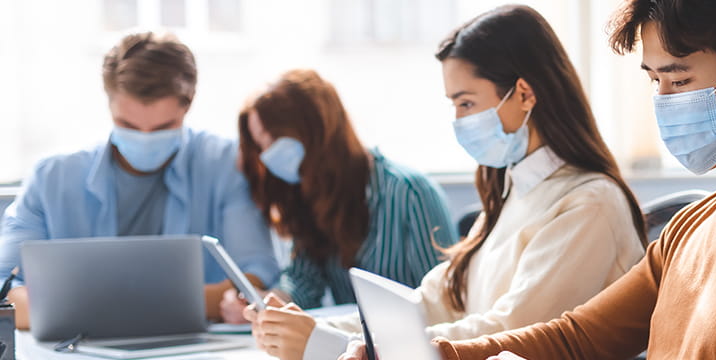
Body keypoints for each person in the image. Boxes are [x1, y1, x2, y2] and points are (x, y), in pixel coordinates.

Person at [340, 0, 716, 359]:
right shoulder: (697, 222)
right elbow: (576, 338)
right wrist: (435, 355)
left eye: (678, 79)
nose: (663, 102)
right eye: (653, 80)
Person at [256, 6, 648, 360]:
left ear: (524, 94)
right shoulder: (513, 189)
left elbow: (512, 331)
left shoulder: (590, 204)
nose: (460, 120)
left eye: (466, 103)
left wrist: (330, 345)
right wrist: (317, 331)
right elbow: (433, 302)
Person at [0, 31, 280, 327]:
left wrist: (86, 308)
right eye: (128, 125)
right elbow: (4, 286)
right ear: (109, 104)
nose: (145, 138)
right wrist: (168, 305)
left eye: (163, 126)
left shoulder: (227, 164)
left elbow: (254, 275)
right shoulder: (51, 178)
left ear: (188, 104)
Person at [218, 69, 458, 359]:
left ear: (316, 130)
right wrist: (274, 303)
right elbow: (304, 282)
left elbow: (443, 307)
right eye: (260, 146)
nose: (267, 156)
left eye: (273, 141)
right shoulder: (309, 197)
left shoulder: (410, 192)